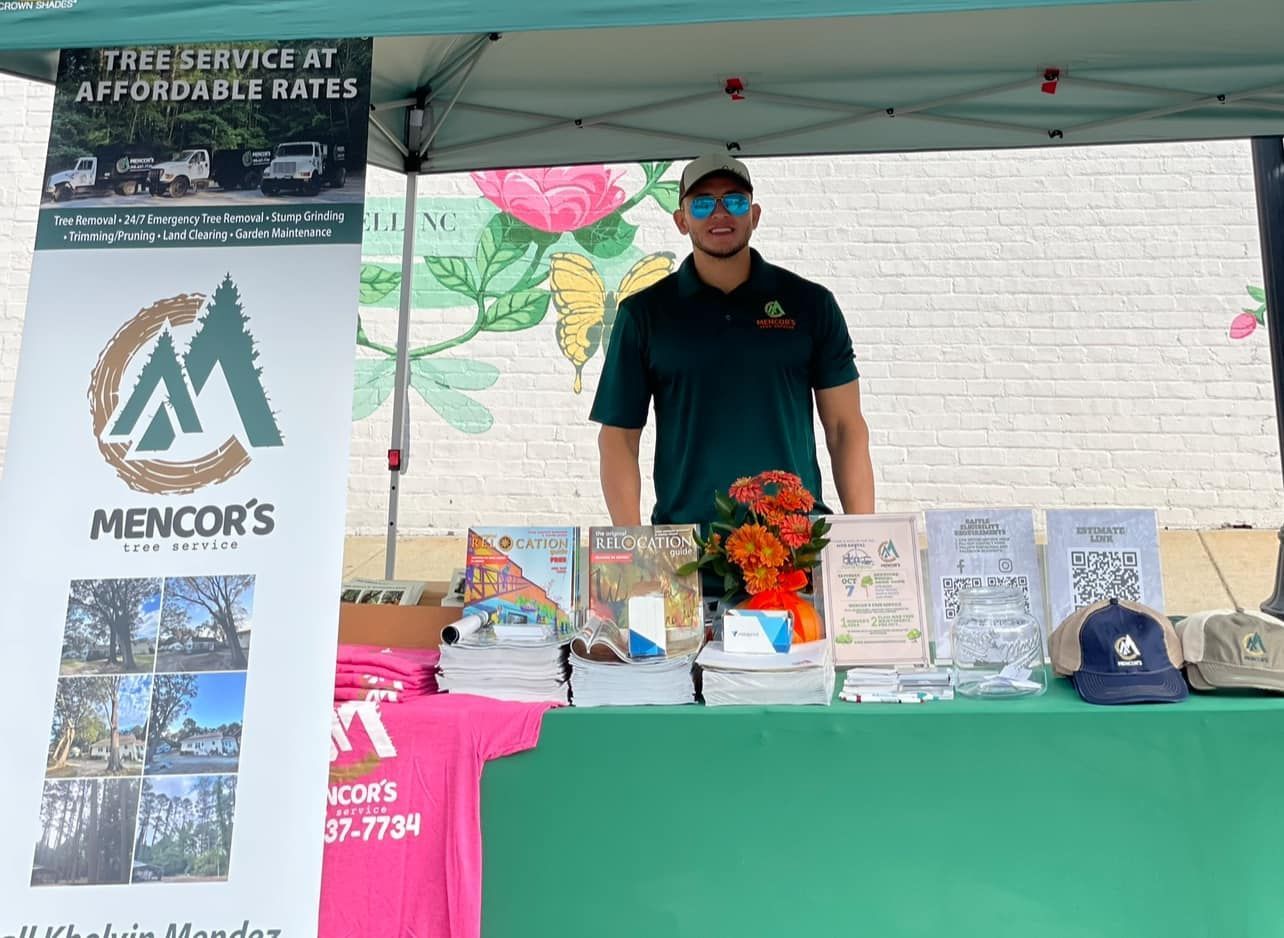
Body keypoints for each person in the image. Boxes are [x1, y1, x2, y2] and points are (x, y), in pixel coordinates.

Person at [590, 153, 874, 531]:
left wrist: (866, 537)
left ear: (754, 215)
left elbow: (844, 427)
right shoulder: (643, 314)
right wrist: (636, 548)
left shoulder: (810, 304)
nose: (720, 213)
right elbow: (618, 440)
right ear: (681, 220)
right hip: (688, 555)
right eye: (703, 203)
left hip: (797, 550)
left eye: (735, 201)